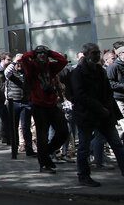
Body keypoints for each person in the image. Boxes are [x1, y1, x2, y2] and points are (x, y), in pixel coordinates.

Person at [72, 43, 124, 186]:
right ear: (87, 54)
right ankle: (83, 176)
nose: (97, 55)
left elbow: (107, 92)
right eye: (94, 53)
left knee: (117, 144)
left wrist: (106, 108)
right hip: (87, 115)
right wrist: (100, 108)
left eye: (98, 53)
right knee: (84, 146)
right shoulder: (78, 72)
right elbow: (80, 95)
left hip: (104, 115)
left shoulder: (100, 70)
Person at [19, 46, 69, 174]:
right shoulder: (31, 67)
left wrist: (50, 52)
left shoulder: (50, 67)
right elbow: (24, 58)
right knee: (42, 135)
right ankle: (44, 163)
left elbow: (63, 61)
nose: (42, 55)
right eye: (39, 53)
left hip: (52, 104)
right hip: (39, 105)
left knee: (63, 131)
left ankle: (46, 152)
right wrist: (34, 52)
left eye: (44, 53)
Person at [4, 54, 33, 158]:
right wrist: (15, 60)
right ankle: (14, 150)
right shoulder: (11, 74)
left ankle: (29, 149)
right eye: (18, 63)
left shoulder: (27, 73)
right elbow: (7, 72)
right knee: (13, 127)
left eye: (22, 62)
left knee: (26, 127)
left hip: (25, 102)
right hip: (14, 103)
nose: (20, 64)